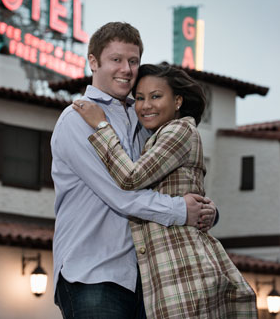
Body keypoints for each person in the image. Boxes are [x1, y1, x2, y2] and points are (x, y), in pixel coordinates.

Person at [51, 22, 216, 318]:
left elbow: (166, 180)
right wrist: (182, 210)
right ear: (93, 61)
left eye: (133, 61)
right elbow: (121, 193)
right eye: (116, 60)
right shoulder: (77, 118)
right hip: (93, 272)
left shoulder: (143, 118)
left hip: (146, 277)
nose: (126, 69)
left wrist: (206, 209)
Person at [72, 63, 257, 318]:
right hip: (165, 275)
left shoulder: (180, 130)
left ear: (178, 100)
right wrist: (210, 211)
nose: (146, 105)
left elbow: (130, 177)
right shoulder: (152, 138)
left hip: (184, 270)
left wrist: (102, 126)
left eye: (156, 96)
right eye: (139, 98)